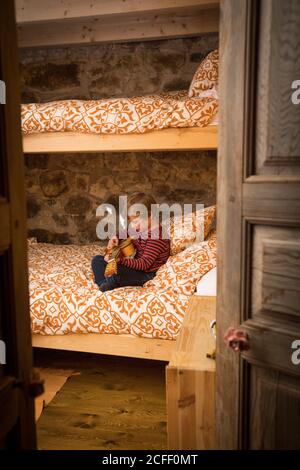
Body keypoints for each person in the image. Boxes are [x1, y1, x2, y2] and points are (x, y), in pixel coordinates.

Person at [91, 192, 170, 292]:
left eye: (137, 222)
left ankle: (109, 282)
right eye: (132, 222)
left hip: (146, 273)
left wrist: (119, 260)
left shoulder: (157, 237)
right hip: (136, 268)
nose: (134, 226)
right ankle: (104, 283)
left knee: (118, 269)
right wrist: (116, 237)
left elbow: (144, 264)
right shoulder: (142, 227)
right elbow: (128, 231)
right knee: (97, 260)